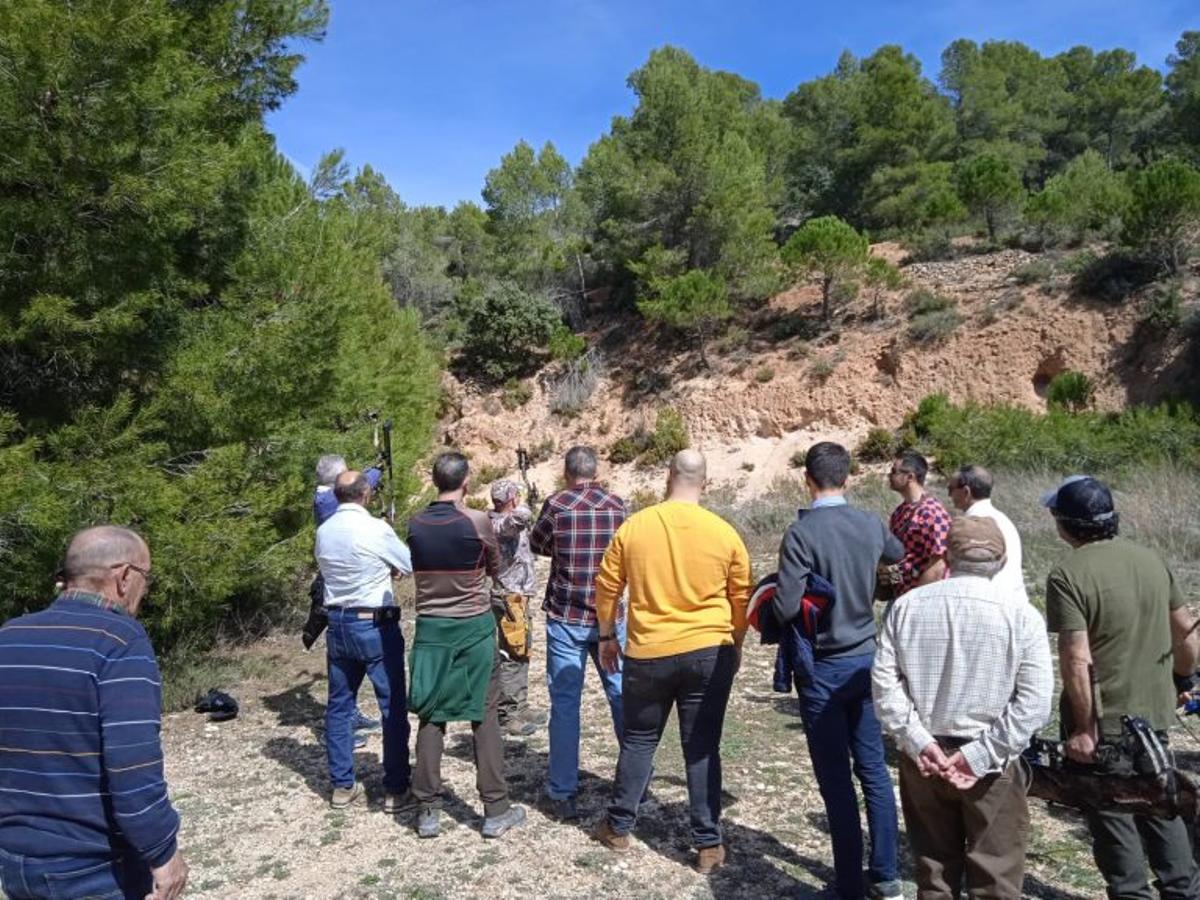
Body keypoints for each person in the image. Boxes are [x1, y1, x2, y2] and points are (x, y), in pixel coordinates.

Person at [0, 526, 188, 900]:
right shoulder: (120, 641)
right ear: (123, 577)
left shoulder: (9, 636)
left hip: (16, 862)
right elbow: (132, 768)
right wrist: (163, 852)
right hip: (96, 868)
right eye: (145, 578)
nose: (145, 590)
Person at [873, 516, 1054, 898]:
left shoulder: (906, 607)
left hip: (926, 759)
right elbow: (1034, 703)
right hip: (992, 765)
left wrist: (919, 741)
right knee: (997, 876)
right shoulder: (1022, 616)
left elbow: (885, 685)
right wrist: (980, 754)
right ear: (1002, 562)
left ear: (946, 558)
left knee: (934, 871)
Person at [590, 450, 751, 875]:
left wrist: (607, 636)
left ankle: (619, 827)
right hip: (708, 651)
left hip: (648, 653)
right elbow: (742, 597)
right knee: (700, 747)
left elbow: (606, 588)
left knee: (640, 740)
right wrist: (735, 643)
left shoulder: (635, 526)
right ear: (707, 482)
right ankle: (708, 845)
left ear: (667, 477)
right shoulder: (724, 532)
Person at [1042, 476, 1200, 899]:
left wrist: (1084, 729)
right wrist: (1184, 678)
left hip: (1106, 724)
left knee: (1114, 821)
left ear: (1065, 524)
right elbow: (1187, 631)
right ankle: (1182, 890)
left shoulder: (1067, 575)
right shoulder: (1152, 560)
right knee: (1161, 806)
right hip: (1154, 715)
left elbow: (1076, 657)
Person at [776, 441, 906, 900]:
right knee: (872, 768)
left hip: (825, 667)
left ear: (807, 479)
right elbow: (898, 554)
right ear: (848, 478)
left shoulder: (802, 534)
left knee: (835, 779)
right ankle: (887, 874)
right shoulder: (869, 522)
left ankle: (849, 884)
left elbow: (788, 605)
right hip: (868, 660)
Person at [406, 452, 525, 839]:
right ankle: (495, 809)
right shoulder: (475, 521)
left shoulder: (416, 523)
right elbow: (494, 567)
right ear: (466, 482)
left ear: (434, 480)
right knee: (484, 715)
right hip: (472, 627)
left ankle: (427, 810)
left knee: (431, 714)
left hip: (431, 629)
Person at [530, 445, 627, 821]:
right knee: (620, 695)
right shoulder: (617, 506)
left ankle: (563, 789)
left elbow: (539, 545)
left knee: (566, 704)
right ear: (596, 470)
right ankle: (635, 775)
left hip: (566, 614)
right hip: (609, 617)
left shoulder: (558, 505)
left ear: (566, 472)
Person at [314, 471, 412, 811]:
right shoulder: (375, 528)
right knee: (391, 706)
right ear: (365, 494)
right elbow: (408, 564)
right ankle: (396, 788)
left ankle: (342, 785)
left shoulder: (323, 531)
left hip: (338, 623)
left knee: (339, 706)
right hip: (373, 624)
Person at [306, 454, 384, 746]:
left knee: (345, 667)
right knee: (342, 671)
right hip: (339, 590)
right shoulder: (326, 502)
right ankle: (341, 729)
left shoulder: (328, 497)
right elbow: (358, 485)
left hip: (340, 586)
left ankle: (350, 715)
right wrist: (375, 472)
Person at [488, 479, 546, 736]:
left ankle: (520, 705)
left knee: (521, 652)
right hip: (509, 596)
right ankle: (508, 714)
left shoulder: (502, 518)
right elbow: (520, 518)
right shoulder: (498, 522)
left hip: (517, 596)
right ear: (511, 499)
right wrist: (526, 501)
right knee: (512, 655)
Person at [946, 464, 1029, 604]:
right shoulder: (1002, 519)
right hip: (1012, 601)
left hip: (992, 602)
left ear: (966, 491)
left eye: (951, 489)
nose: (949, 495)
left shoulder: (974, 525)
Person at [886, 450, 952, 597]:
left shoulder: (932, 513)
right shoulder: (899, 512)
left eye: (893, 471)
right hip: (902, 598)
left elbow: (939, 565)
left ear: (910, 477)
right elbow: (904, 559)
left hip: (926, 600)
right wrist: (891, 580)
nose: (889, 476)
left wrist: (916, 601)